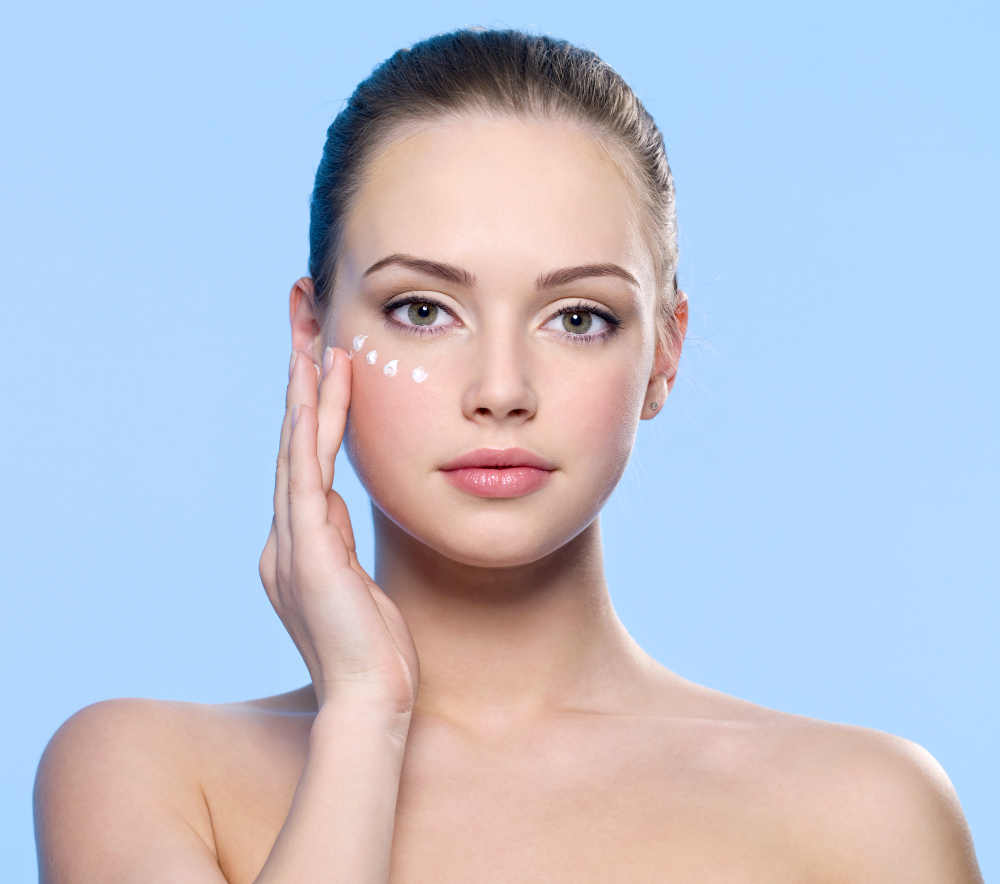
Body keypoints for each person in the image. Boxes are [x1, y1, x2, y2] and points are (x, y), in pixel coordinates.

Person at [33, 28, 983, 883]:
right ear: (312, 335)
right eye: (422, 310)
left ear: (664, 355)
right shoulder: (142, 774)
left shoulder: (867, 815)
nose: (500, 388)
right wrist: (364, 713)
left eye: (578, 317)